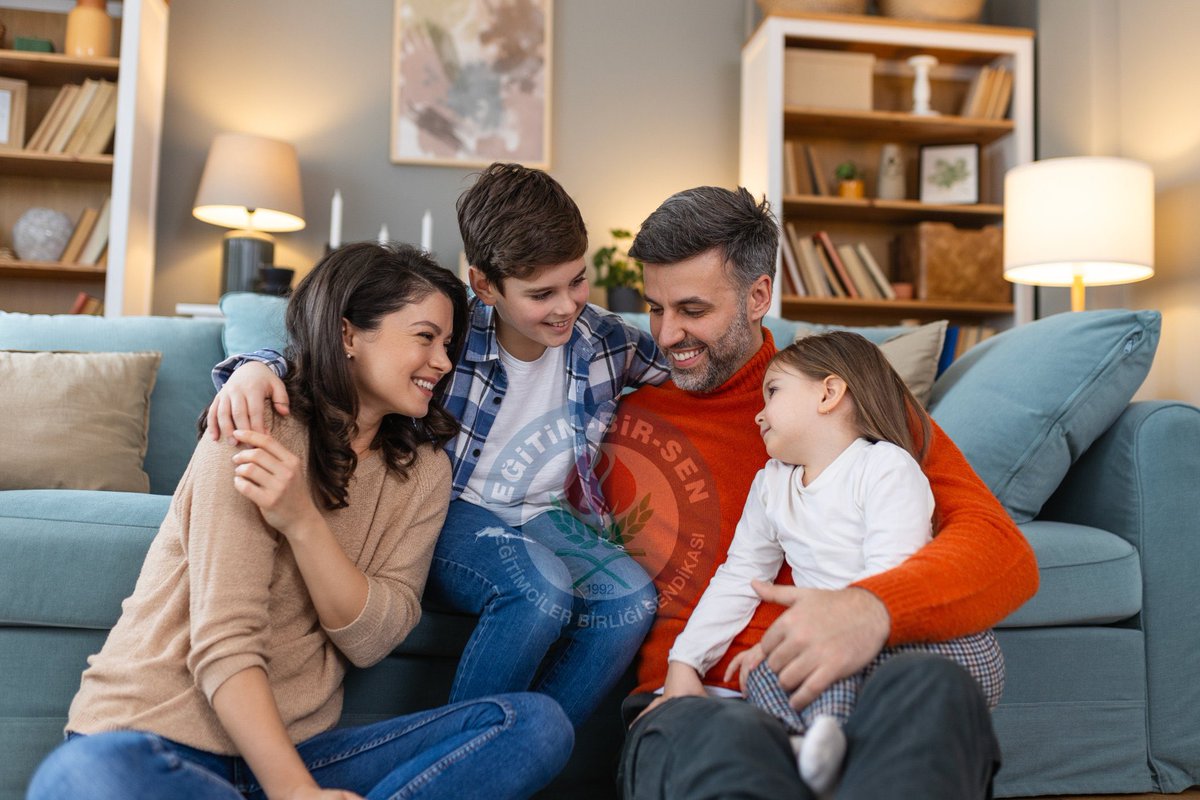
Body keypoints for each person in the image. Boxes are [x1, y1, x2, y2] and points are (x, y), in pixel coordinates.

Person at [27, 243, 573, 800]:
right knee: (84, 775)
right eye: (425, 337)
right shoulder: (253, 419)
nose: (443, 362)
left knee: (534, 725)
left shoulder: (425, 471)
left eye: (449, 344)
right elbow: (224, 640)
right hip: (158, 742)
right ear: (348, 335)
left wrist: (303, 522)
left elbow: (373, 638)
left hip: (303, 757)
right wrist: (294, 793)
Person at [606, 186, 1039, 799]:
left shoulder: (842, 403)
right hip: (698, 698)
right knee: (717, 745)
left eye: (693, 309)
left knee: (937, 691)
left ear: (759, 296)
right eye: (654, 308)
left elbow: (1002, 552)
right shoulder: (619, 410)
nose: (667, 333)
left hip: (861, 681)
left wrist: (868, 609)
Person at [205, 163, 667, 729]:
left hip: (549, 515)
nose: (567, 306)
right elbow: (334, 351)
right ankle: (458, 753)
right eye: (541, 293)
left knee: (629, 602)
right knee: (537, 588)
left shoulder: (605, 339)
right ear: (485, 285)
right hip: (454, 511)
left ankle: (521, 760)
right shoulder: (448, 338)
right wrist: (256, 367)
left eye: (576, 280)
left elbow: (688, 369)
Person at [662, 331, 1005, 796]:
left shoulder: (885, 467)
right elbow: (742, 576)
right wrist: (685, 659)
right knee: (761, 670)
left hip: (905, 635)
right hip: (832, 648)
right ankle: (817, 743)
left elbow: (892, 570)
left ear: (829, 393)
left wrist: (822, 626)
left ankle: (832, 740)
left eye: (774, 392)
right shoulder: (771, 485)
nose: (758, 413)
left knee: (934, 669)